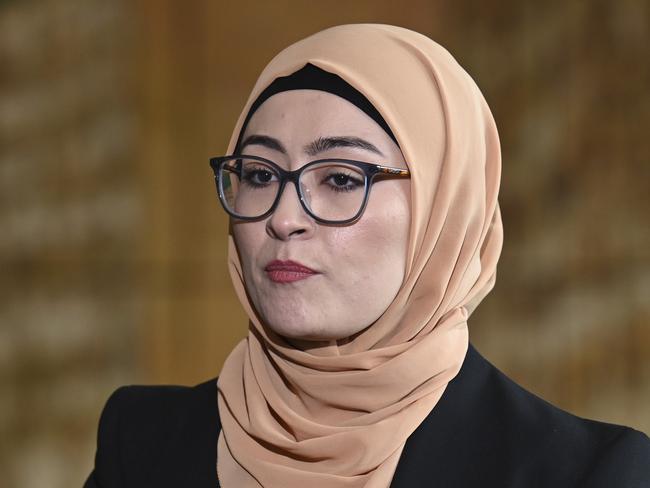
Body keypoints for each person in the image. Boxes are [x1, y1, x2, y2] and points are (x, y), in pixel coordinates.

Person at [83, 23, 650, 488]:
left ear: (444, 213)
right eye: (258, 173)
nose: (284, 216)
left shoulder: (586, 473)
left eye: (341, 178)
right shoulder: (142, 443)